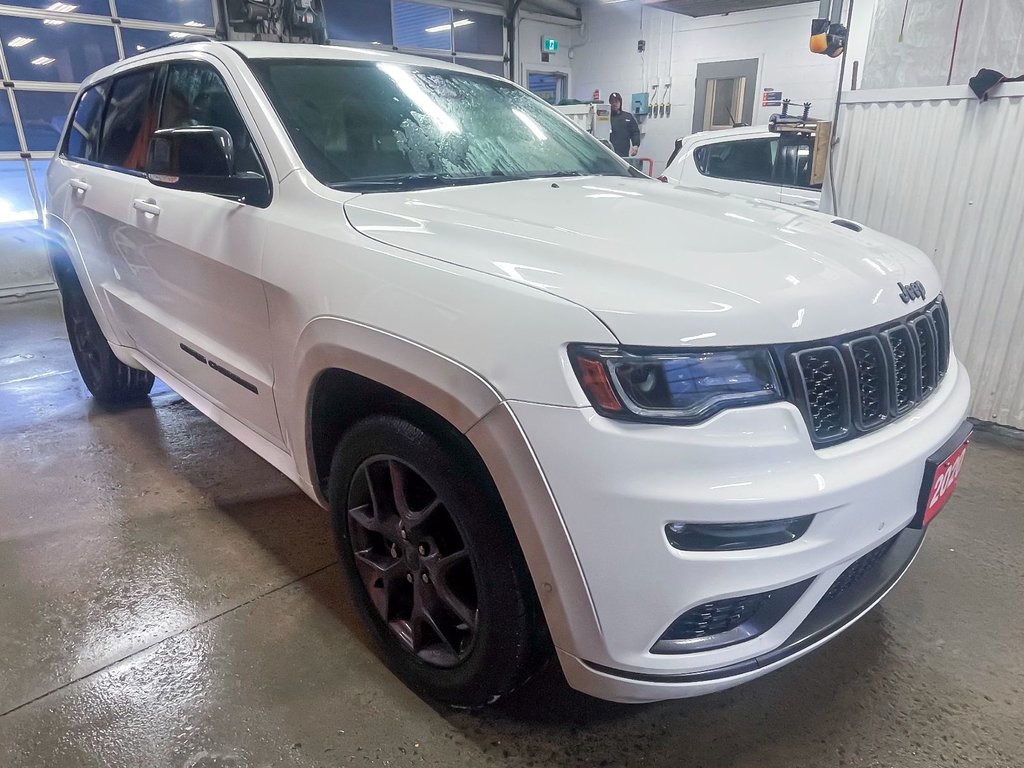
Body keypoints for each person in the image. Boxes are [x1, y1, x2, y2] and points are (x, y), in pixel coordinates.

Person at [608, 92, 641, 158]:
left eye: (617, 101)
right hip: (607, 153)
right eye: (613, 102)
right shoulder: (606, 117)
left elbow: (635, 132)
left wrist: (635, 145)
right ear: (610, 103)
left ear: (620, 102)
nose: (615, 104)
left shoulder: (628, 117)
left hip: (623, 154)